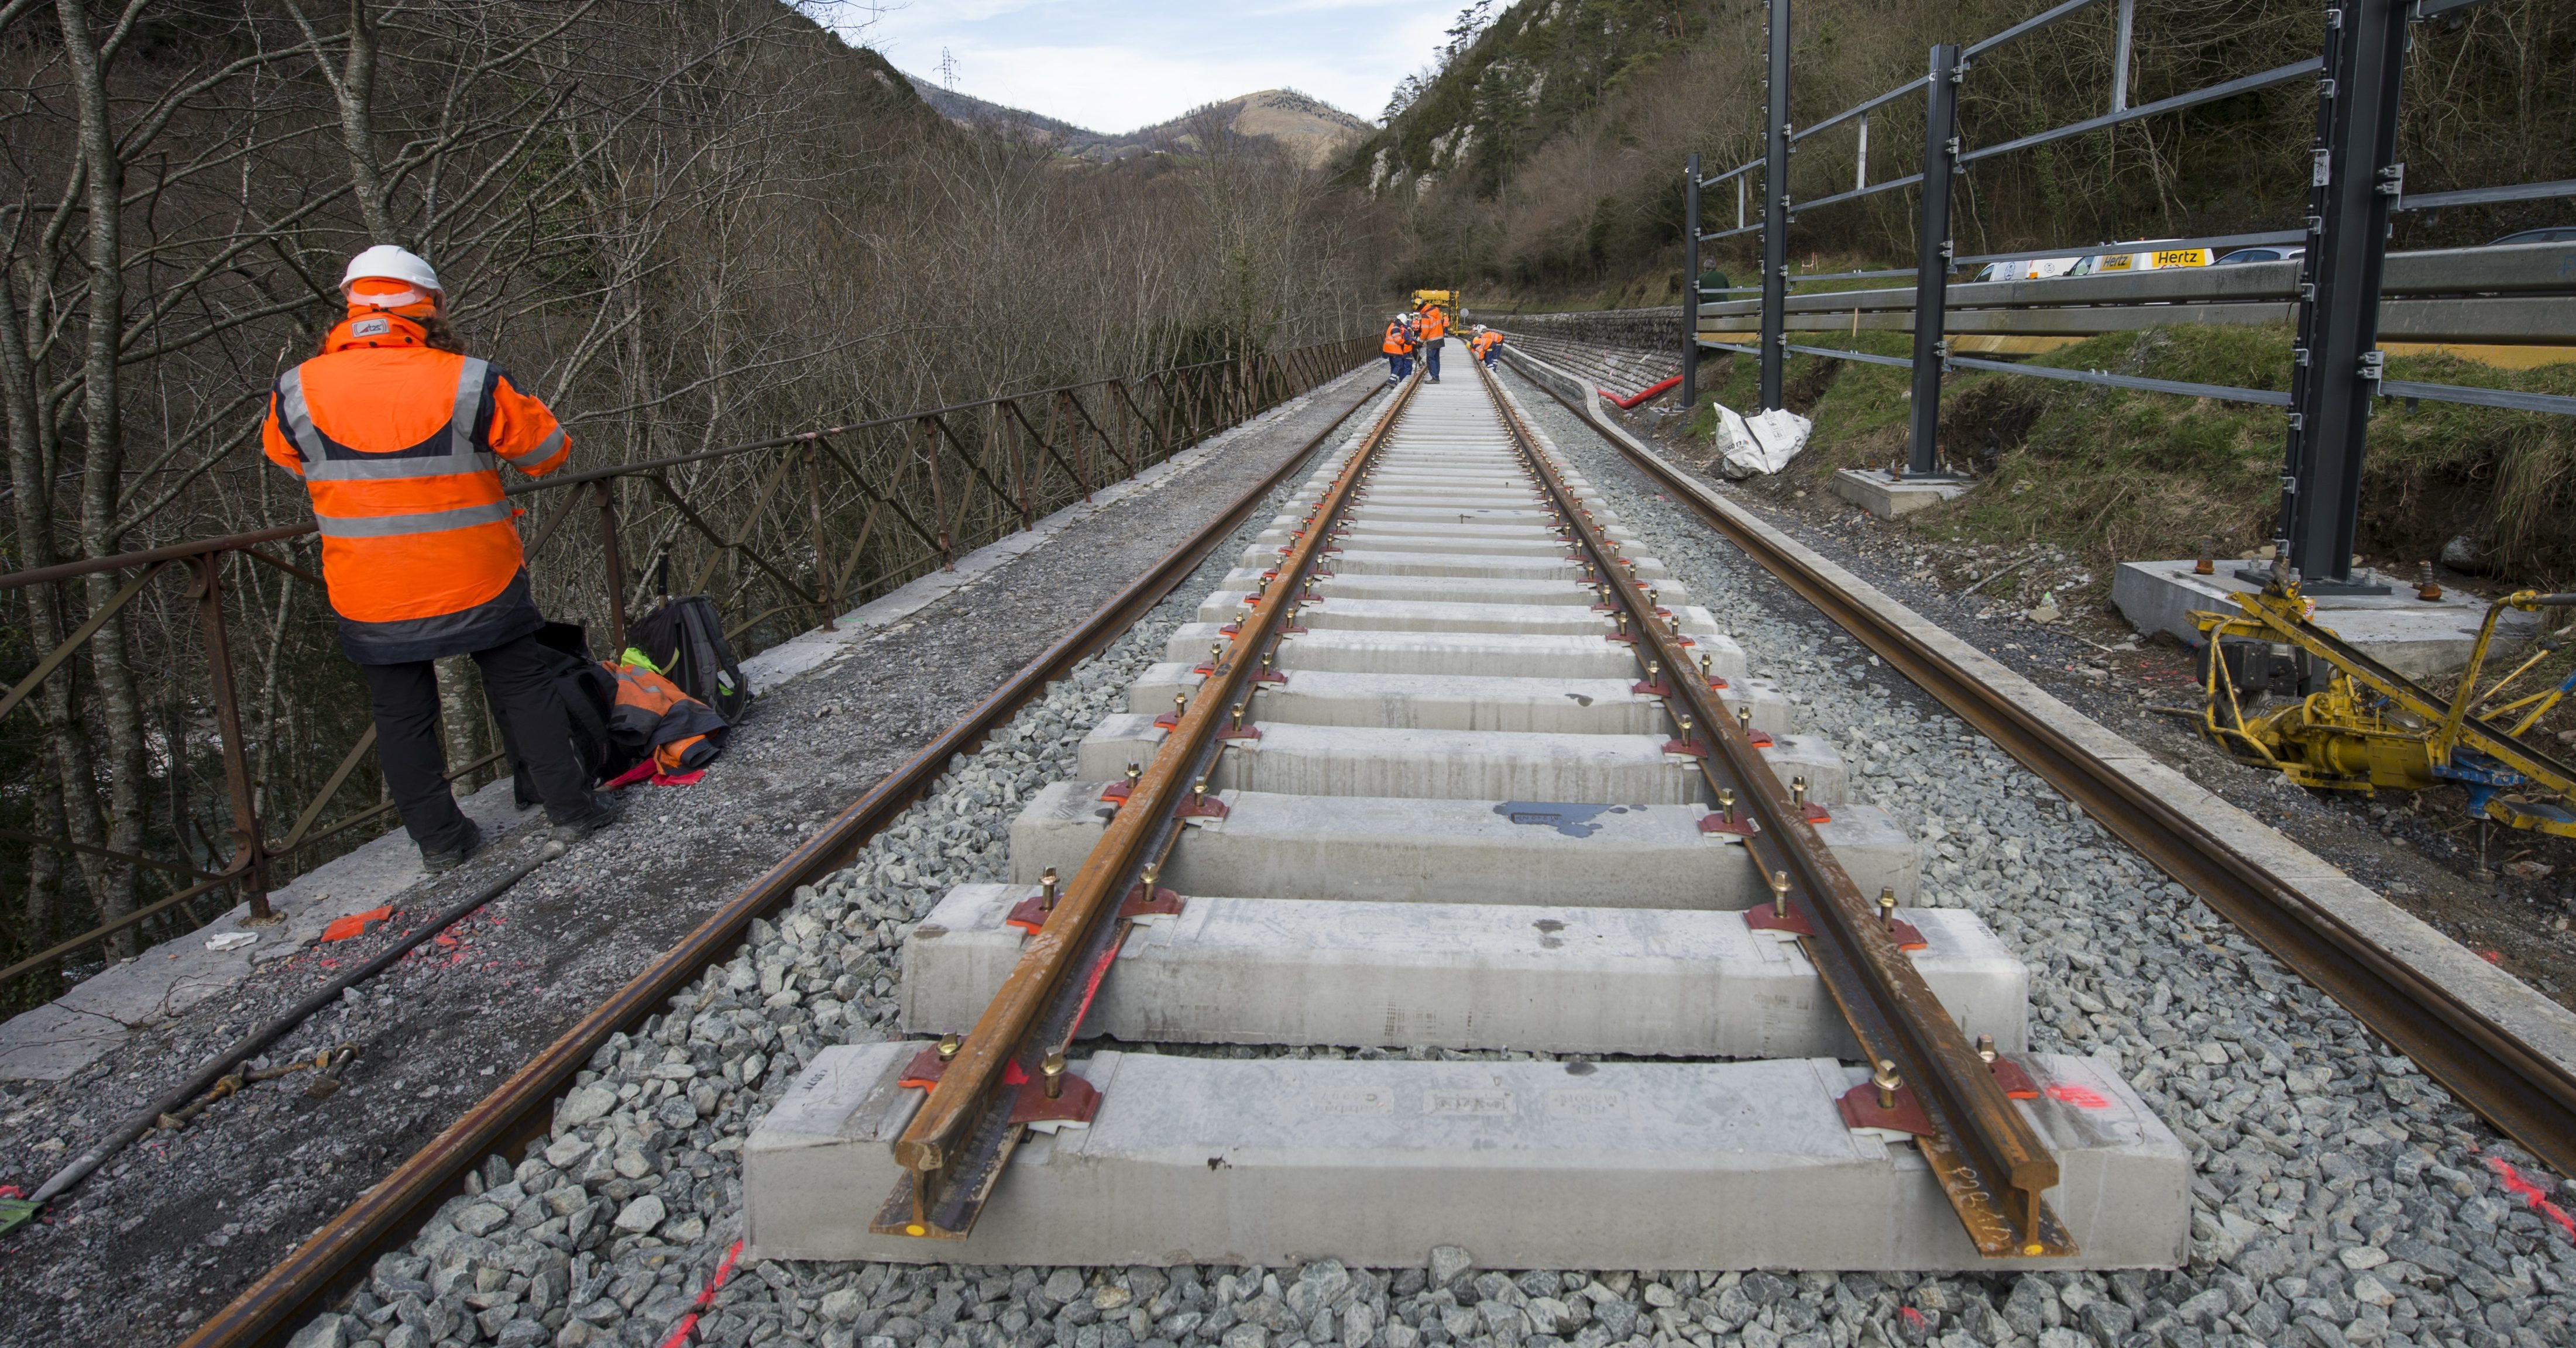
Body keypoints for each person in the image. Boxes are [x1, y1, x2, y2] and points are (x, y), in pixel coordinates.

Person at [262, 245, 621, 871]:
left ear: (350, 307)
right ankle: (571, 810)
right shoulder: (469, 378)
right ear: (429, 307)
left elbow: (288, 459)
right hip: (478, 573)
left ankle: (441, 843)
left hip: (369, 586)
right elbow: (549, 452)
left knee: (400, 715)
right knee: (521, 687)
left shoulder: (296, 387)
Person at [1416, 300, 1448, 382]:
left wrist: (1420, 341)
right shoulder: (1435, 312)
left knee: (1430, 358)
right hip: (1439, 338)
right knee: (1436, 358)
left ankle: (1435, 377)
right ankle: (1436, 376)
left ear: (1420, 307)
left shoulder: (1426, 316)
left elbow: (1425, 331)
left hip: (1432, 339)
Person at [1381, 312, 1413, 383]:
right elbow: (1398, 340)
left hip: (1389, 350)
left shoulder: (1392, 325)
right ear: (1399, 321)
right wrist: (1405, 341)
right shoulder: (1396, 328)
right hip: (1394, 350)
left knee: (1394, 366)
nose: (1402, 325)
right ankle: (1391, 381)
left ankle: (1394, 380)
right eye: (1402, 323)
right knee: (1399, 365)